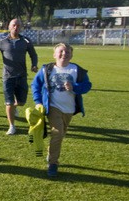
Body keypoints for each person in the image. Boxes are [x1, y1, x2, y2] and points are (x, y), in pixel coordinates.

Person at [31, 43, 92, 177]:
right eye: (61, 52)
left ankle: (51, 153)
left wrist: (75, 87)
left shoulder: (77, 70)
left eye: (67, 52)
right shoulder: (47, 69)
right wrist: (38, 102)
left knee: (61, 134)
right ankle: (53, 164)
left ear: (71, 55)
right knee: (57, 133)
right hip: (53, 107)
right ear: (54, 54)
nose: (64, 54)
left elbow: (87, 86)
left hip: (69, 109)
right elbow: (35, 85)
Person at [0, 18, 38, 135]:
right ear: (9, 27)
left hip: (22, 76)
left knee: (21, 102)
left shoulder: (26, 41)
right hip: (8, 76)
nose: (16, 27)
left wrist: (34, 65)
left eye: (18, 25)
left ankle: (15, 107)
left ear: (20, 27)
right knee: (8, 102)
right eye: (14, 25)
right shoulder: (2, 41)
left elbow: (33, 54)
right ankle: (12, 126)